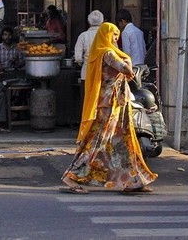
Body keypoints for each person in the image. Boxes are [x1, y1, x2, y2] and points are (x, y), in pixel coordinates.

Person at [61, 22, 157, 194]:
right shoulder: (107, 53)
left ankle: (135, 180)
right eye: (113, 35)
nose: (115, 38)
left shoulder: (108, 52)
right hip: (109, 104)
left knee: (125, 142)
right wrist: (128, 63)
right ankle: (72, 177)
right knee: (98, 141)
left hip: (119, 103)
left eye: (116, 36)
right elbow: (125, 68)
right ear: (105, 35)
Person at [74, 10, 103, 85]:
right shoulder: (107, 35)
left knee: (87, 96)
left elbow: (78, 58)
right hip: (103, 74)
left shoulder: (83, 36)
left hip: (87, 73)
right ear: (102, 22)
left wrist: (83, 63)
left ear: (89, 22)